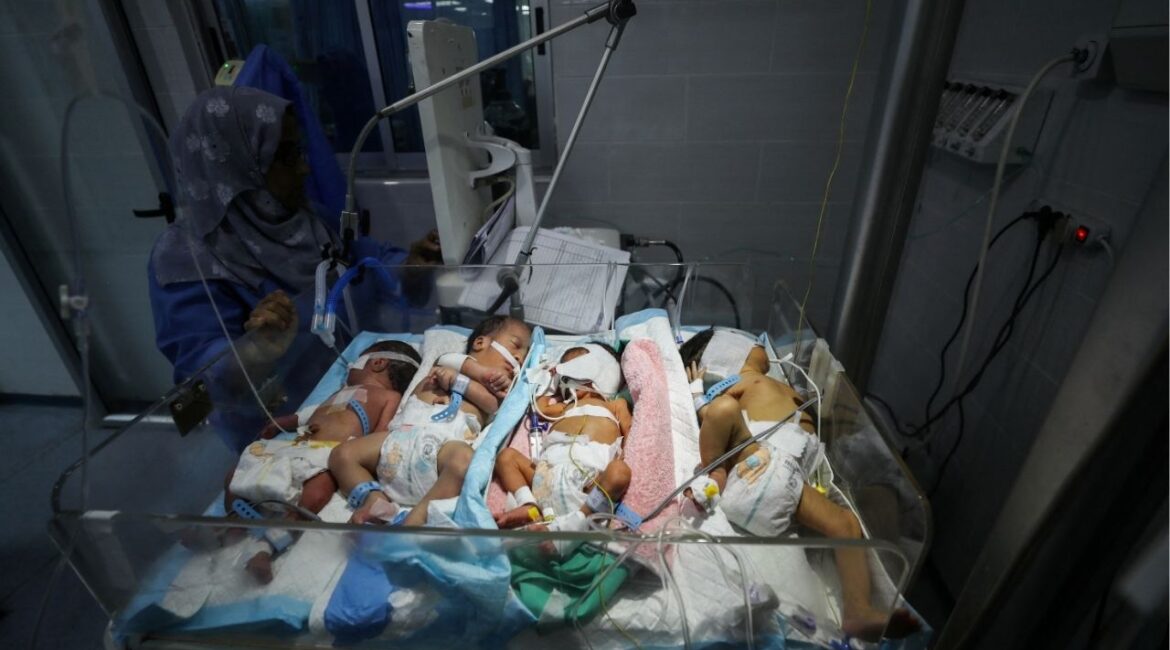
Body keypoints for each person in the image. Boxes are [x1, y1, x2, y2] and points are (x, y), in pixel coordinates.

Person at [148, 87, 441, 450]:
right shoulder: (186, 262)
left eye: (300, 151)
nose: (304, 168)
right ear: (238, 167)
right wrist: (255, 351)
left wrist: (409, 268)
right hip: (277, 429)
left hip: (353, 391)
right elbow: (200, 389)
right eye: (287, 156)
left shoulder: (307, 218)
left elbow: (365, 259)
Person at [678, 329, 919, 641]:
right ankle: (715, 473)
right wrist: (700, 393)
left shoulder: (769, 382)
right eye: (752, 343)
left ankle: (860, 610)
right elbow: (716, 416)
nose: (760, 345)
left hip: (784, 479)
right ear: (726, 356)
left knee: (854, 518)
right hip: (760, 464)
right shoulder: (739, 381)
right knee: (724, 411)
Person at [223, 340, 422, 583]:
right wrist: (284, 423)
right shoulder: (338, 392)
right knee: (235, 472)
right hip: (295, 446)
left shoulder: (388, 396)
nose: (348, 369)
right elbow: (312, 412)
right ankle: (232, 523)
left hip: (327, 453)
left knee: (319, 489)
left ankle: (266, 546)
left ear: (377, 363)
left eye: (353, 363)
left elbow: (380, 433)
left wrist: (362, 452)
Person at [329, 316, 532, 527]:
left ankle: (415, 520)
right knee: (342, 454)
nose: (518, 358)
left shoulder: (490, 394)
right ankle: (376, 502)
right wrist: (482, 373)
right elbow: (458, 363)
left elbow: (491, 405)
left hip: (441, 453)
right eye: (515, 346)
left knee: (465, 460)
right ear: (480, 343)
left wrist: (458, 382)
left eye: (523, 357)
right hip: (400, 439)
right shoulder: (448, 360)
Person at [493, 343, 633, 535]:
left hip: (591, 479)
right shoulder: (565, 407)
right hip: (546, 474)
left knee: (619, 472)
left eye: (571, 367)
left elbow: (629, 430)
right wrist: (548, 381)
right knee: (506, 457)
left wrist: (622, 453)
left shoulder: (615, 405)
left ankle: (579, 520)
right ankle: (528, 504)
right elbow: (541, 407)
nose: (564, 376)